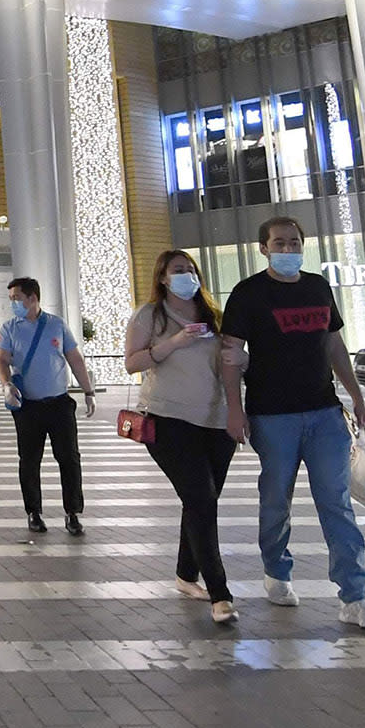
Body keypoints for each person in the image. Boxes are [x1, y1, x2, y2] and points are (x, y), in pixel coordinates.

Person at [219, 216, 365, 632]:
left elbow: (333, 341)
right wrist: (234, 409)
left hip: (324, 412)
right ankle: (276, 569)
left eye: (294, 242)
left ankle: (355, 596)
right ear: (263, 248)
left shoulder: (317, 286)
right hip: (271, 414)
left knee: (336, 502)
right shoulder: (248, 293)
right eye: (279, 243)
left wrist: (354, 393)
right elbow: (229, 353)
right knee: (276, 496)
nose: (288, 249)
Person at [125, 250, 245, 625]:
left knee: (201, 502)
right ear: (162, 277)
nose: (187, 276)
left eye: (191, 270)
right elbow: (132, 362)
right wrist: (173, 343)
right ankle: (220, 594)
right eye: (178, 271)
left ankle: (185, 574)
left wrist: (242, 367)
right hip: (168, 419)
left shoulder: (215, 316)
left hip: (216, 419)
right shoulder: (150, 316)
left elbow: (233, 360)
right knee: (200, 497)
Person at [0, 275, 96, 535]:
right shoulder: (9, 328)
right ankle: (34, 512)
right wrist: (6, 385)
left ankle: (73, 513)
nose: (13, 303)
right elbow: (2, 360)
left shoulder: (56, 325)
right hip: (28, 407)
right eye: (11, 299)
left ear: (33, 297)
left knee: (69, 458)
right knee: (29, 460)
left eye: (16, 298)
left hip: (60, 404)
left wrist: (88, 391)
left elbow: (74, 358)